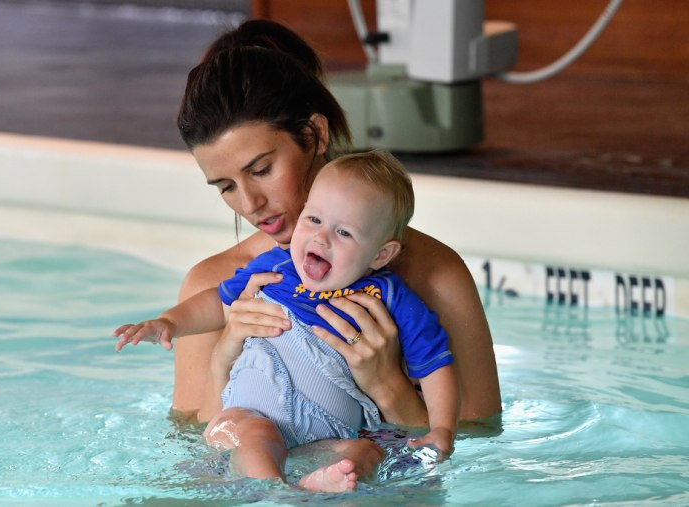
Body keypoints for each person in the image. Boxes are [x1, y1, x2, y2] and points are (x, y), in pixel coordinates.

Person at [169, 19, 500, 427]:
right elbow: (197, 458)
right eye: (226, 186)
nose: (250, 204)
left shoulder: (434, 277)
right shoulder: (212, 286)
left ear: (315, 134)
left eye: (261, 169)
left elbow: (477, 446)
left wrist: (387, 386)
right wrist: (223, 358)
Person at [114, 151, 458, 492]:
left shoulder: (391, 297)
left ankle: (311, 487)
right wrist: (169, 322)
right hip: (249, 420)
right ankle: (282, 494)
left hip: (326, 436)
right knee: (257, 436)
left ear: (381, 254)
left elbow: (435, 364)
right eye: (313, 220)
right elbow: (218, 302)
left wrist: (442, 430)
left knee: (362, 454)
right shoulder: (276, 268)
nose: (321, 238)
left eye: (344, 233)